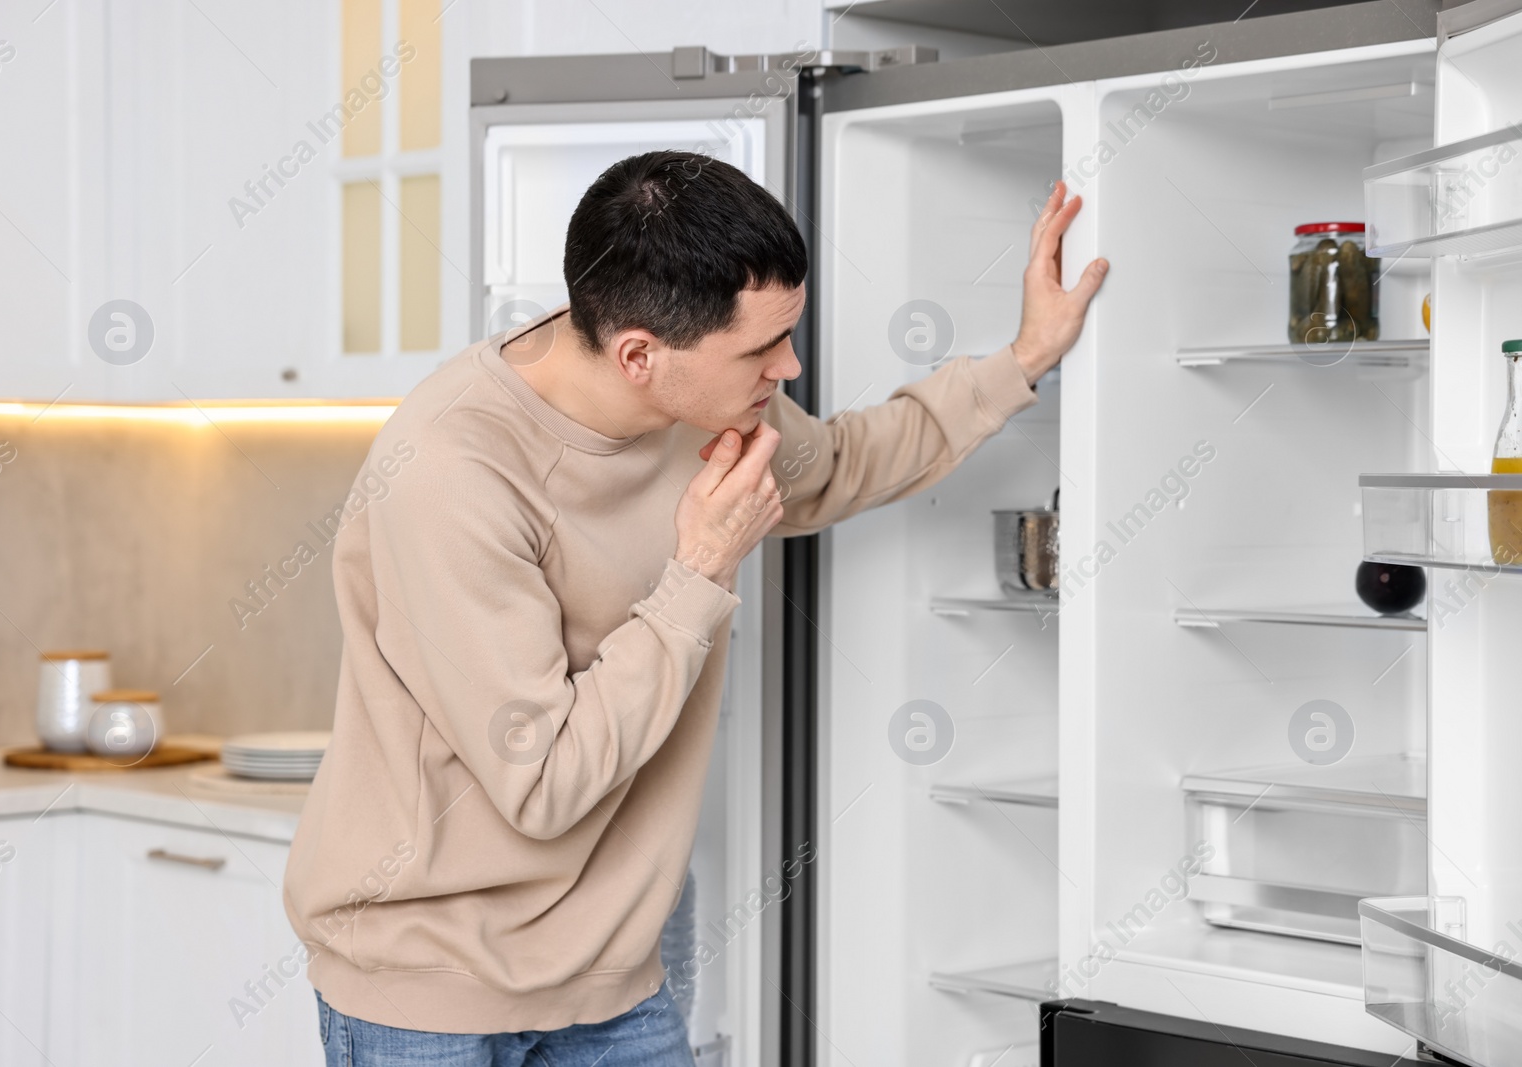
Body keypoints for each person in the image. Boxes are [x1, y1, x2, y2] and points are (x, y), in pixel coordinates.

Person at [283, 149, 1106, 1066]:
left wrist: (1026, 354)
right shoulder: (452, 473)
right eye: (761, 349)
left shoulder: (704, 410)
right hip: (430, 987)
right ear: (640, 353)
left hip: (615, 968)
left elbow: (841, 463)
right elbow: (544, 781)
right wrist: (702, 568)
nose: (788, 367)